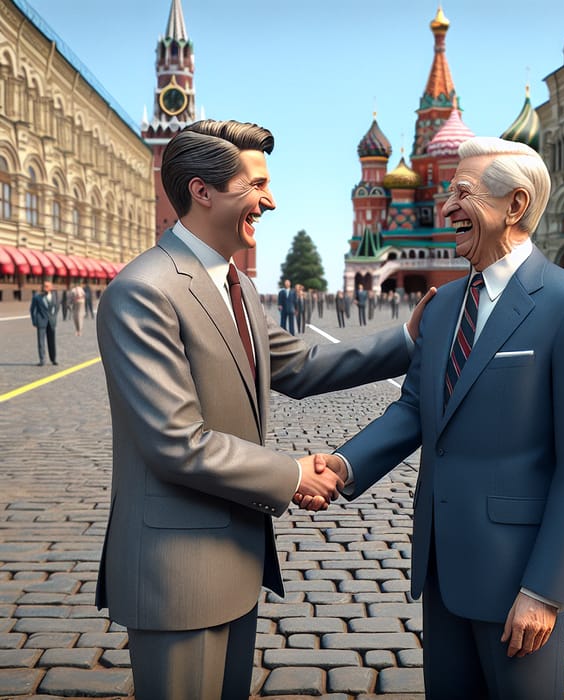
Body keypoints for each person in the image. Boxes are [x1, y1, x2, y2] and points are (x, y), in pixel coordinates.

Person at [95, 118, 433, 700]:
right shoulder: (145, 290)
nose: (269, 200)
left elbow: (301, 367)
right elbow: (177, 442)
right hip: (177, 569)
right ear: (202, 191)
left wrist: (408, 339)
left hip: (236, 559)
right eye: (256, 185)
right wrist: (293, 474)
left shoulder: (238, 286)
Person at [303, 137, 564, 700]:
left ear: (515, 207)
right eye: (447, 192)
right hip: (441, 566)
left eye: (462, 193)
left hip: (518, 576)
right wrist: (344, 466)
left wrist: (546, 590)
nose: (446, 208)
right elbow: (416, 408)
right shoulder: (443, 305)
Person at [29, 280, 58, 366]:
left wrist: (54, 316)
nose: (45, 287)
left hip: (51, 322)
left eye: (47, 286)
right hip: (41, 322)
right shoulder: (37, 297)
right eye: (44, 286)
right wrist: (34, 321)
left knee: (52, 341)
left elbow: (57, 306)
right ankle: (42, 360)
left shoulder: (55, 296)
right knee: (41, 342)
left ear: (51, 287)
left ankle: (53, 359)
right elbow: (32, 309)